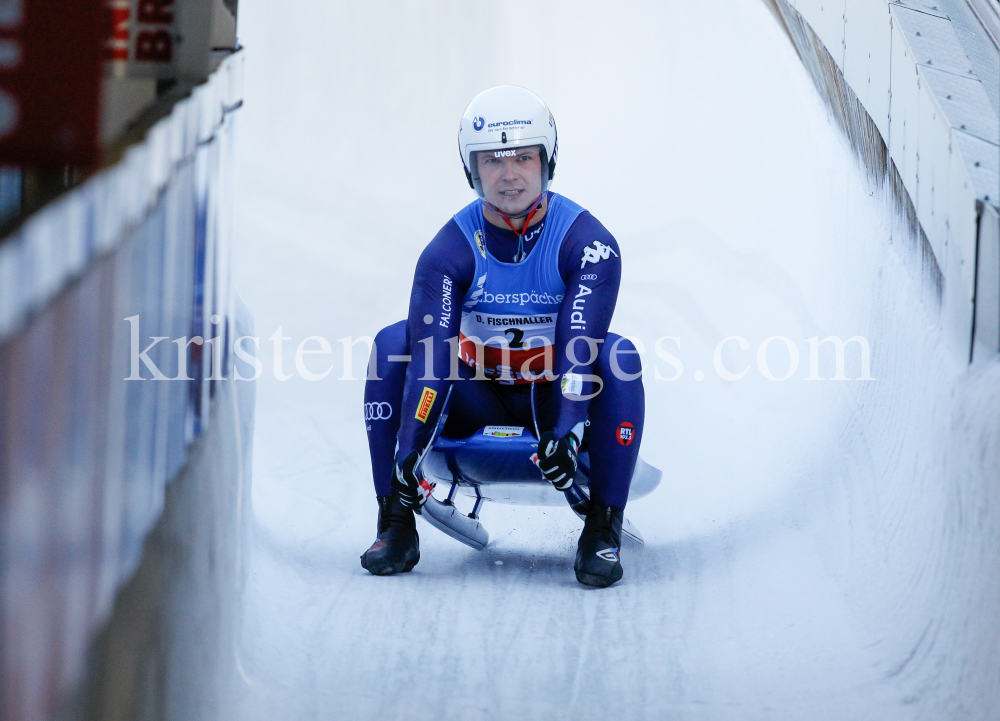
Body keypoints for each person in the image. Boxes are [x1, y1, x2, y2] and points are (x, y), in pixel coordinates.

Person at [360, 85, 645, 588]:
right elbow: (431, 358)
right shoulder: (449, 249)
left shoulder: (590, 243)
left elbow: (581, 348)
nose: (509, 174)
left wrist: (570, 428)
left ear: (546, 160)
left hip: (553, 397)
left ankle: (604, 527)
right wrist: (410, 447)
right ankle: (396, 520)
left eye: (523, 158)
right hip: (475, 397)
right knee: (391, 343)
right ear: (471, 169)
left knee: (620, 355)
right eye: (493, 160)